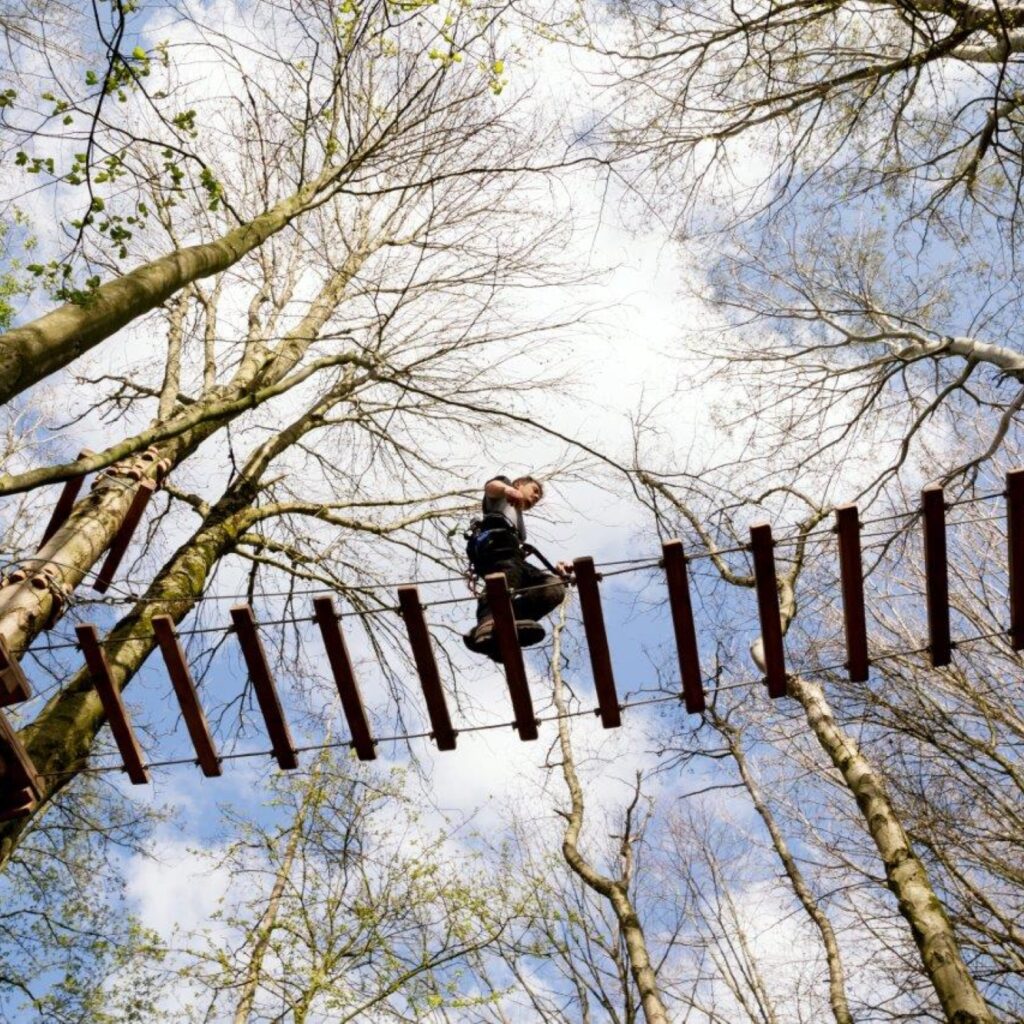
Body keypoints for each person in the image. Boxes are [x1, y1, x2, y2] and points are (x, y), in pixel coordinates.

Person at [463, 474, 570, 660]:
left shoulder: (521, 528)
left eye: (538, 497)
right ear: (519, 484)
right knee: (506, 574)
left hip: (514, 556)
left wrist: (558, 572)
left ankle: (506, 628)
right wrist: (507, 489)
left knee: (553, 588)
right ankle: (487, 622)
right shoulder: (502, 494)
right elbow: (490, 487)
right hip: (495, 545)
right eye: (534, 491)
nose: (536, 498)